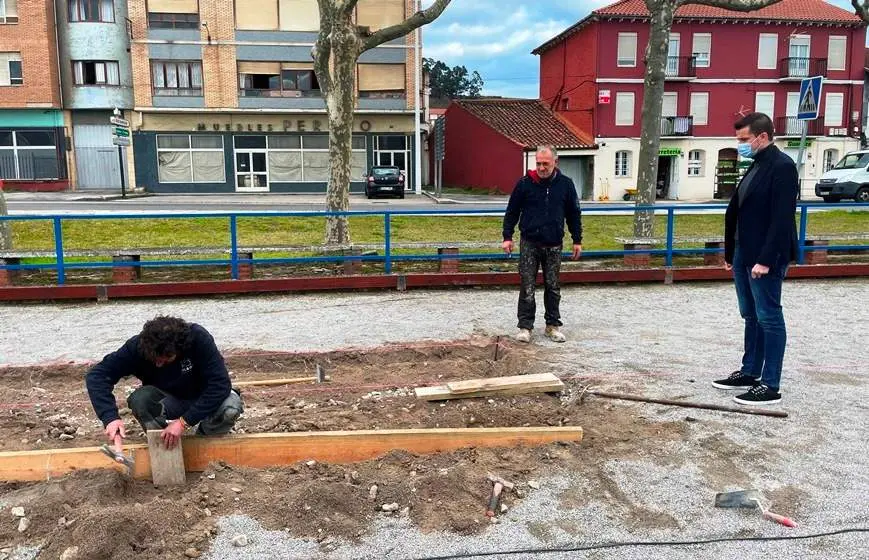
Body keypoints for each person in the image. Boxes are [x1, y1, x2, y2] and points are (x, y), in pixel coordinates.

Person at [712, 112, 798, 406]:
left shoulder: (782, 167)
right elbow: (739, 210)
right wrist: (731, 253)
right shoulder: (756, 165)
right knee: (751, 315)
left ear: (762, 137)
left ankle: (770, 384)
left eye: (744, 139)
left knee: (769, 316)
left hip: (764, 258)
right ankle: (750, 372)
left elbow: (781, 219)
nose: (740, 145)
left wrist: (766, 259)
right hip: (743, 253)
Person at [86, 316, 243, 450]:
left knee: (230, 407)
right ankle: (163, 444)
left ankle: (203, 443)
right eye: (155, 360)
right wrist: (110, 417)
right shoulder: (136, 347)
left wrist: (183, 423)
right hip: (170, 399)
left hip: (204, 395)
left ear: (179, 350)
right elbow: (97, 375)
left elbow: (220, 385)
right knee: (141, 400)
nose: (159, 365)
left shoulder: (198, 338)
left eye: (165, 359)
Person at [502, 145, 583, 343]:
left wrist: (577, 240)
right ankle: (525, 326)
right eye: (538, 163)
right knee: (527, 286)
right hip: (529, 242)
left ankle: (552, 325)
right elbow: (512, 211)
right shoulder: (524, 184)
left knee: (553, 286)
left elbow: (573, 213)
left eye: (545, 163)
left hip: (554, 244)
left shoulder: (566, 184)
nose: (541, 167)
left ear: (555, 163)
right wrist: (507, 236)